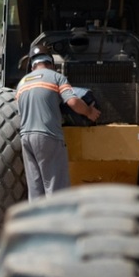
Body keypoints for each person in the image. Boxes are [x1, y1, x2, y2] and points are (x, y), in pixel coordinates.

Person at [16, 44, 101, 199]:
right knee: (56, 188)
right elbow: (73, 102)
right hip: (48, 136)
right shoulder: (56, 77)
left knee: (36, 190)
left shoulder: (22, 83)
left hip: (26, 138)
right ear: (51, 63)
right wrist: (89, 112)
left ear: (32, 65)